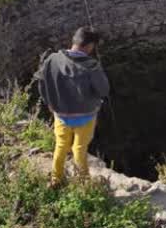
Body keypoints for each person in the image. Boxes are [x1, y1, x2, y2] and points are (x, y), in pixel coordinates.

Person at [35, 27, 111, 186]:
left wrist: (49, 103)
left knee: (61, 145)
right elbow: (103, 90)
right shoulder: (91, 66)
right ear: (90, 46)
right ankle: (84, 182)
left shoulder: (52, 59)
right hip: (86, 116)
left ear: (73, 41)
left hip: (61, 114)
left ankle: (56, 179)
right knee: (79, 148)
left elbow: (41, 82)